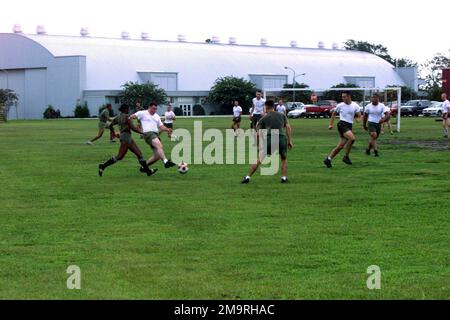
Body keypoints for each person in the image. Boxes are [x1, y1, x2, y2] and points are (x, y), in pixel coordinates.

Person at [241, 100, 293, 184]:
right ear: (274, 107)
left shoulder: (264, 118)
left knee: (259, 159)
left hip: (270, 138)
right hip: (282, 138)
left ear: (266, 107)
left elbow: (258, 134)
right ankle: (283, 178)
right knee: (283, 159)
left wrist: (258, 145)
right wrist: (290, 141)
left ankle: (247, 177)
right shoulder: (282, 115)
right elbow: (288, 127)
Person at [98, 104, 157, 177]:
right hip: (126, 138)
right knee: (119, 156)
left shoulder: (118, 116)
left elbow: (110, 125)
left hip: (126, 137)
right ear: (125, 109)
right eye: (128, 108)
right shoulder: (127, 117)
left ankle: (148, 172)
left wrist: (113, 133)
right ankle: (103, 166)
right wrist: (143, 133)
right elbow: (133, 128)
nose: (128, 110)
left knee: (139, 154)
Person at [129, 102, 176, 169]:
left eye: (156, 109)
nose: (154, 110)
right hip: (148, 134)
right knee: (159, 145)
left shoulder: (156, 116)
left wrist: (167, 129)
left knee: (157, 155)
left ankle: (144, 167)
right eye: (153, 108)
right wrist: (131, 125)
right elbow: (131, 117)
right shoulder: (142, 113)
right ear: (149, 107)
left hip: (155, 134)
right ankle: (166, 162)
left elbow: (161, 126)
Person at [323, 91, 361, 168]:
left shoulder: (355, 106)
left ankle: (328, 159)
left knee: (340, 146)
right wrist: (330, 124)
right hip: (342, 124)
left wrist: (358, 119)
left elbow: (359, 116)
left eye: (344, 96)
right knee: (352, 138)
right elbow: (333, 114)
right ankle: (346, 157)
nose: (343, 98)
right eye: (342, 97)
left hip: (349, 125)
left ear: (349, 96)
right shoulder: (340, 105)